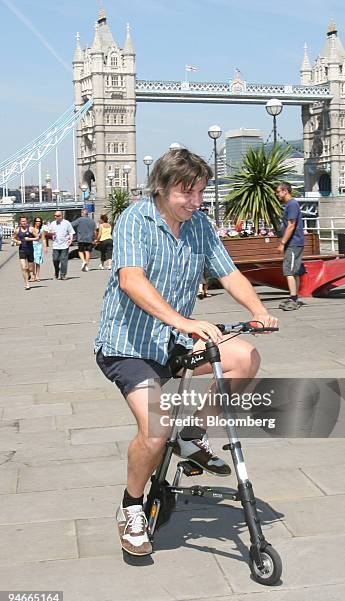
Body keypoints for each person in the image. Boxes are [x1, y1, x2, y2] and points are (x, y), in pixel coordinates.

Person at [95, 148, 278, 557]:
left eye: (200, 192)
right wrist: (184, 322)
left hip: (174, 340)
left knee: (244, 357)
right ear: (161, 188)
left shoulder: (199, 226)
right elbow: (131, 281)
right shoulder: (134, 221)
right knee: (156, 430)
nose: (196, 202)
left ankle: (193, 434)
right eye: (187, 193)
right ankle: (132, 507)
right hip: (129, 346)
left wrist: (259, 310)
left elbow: (228, 272)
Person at [276, 182, 305, 311]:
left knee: (289, 270)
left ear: (285, 191)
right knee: (295, 271)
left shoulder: (292, 205)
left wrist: (282, 243)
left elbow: (291, 225)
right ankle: (294, 297)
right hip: (294, 243)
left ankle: (293, 299)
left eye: (278, 192)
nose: (277, 194)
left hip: (293, 243)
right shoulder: (290, 204)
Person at [48, 211, 75, 280]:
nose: (55, 217)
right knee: (55, 259)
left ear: (61, 216)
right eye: (55, 215)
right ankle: (57, 270)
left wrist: (70, 240)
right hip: (56, 245)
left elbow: (71, 232)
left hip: (64, 244)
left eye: (57, 216)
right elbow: (49, 232)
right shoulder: (53, 223)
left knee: (63, 260)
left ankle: (63, 274)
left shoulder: (67, 223)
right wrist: (51, 233)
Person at [13, 216, 37, 290]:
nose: (23, 222)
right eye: (22, 221)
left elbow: (37, 237)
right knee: (23, 268)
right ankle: (27, 283)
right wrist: (17, 241)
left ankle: (29, 273)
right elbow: (14, 238)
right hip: (22, 250)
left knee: (30, 268)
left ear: (27, 222)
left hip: (30, 250)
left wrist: (30, 239)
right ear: (20, 222)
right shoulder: (17, 230)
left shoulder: (31, 229)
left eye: (25, 221)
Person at [31, 216, 47, 282]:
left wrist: (45, 247)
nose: (38, 222)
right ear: (34, 222)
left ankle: (37, 275)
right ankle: (33, 275)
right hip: (31, 246)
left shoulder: (42, 229)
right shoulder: (31, 229)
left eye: (40, 221)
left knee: (38, 262)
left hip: (38, 246)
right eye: (37, 221)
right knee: (32, 262)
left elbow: (43, 239)